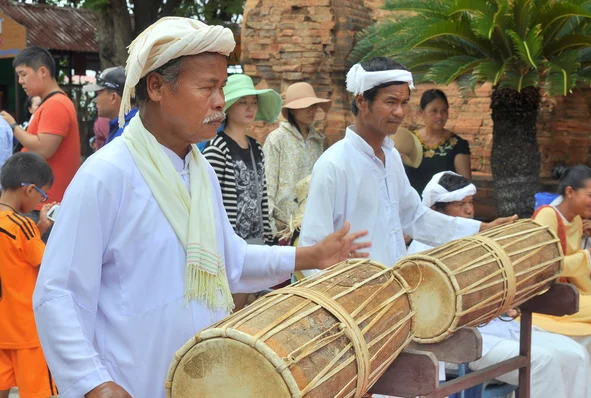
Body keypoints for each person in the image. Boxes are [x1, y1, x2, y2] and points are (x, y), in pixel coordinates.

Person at [32, 17, 370, 398]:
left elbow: (230, 263)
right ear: (157, 87)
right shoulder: (105, 176)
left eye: (221, 86)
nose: (220, 102)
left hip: (205, 383)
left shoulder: (200, 170)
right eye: (207, 87)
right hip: (131, 384)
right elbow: (58, 294)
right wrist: (94, 383)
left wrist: (311, 255)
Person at [299, 57, 515, 273]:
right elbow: (313, 249)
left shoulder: (391, 156)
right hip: (352, 297)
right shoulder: (333, 165)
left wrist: (480, 229)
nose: (400, 112)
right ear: (362, 102)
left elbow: (413, 216)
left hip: (396, 288)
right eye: (391, 102)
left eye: (404, 103)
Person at [407, 171, 591, 397]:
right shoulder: (421, 253)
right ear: (436, 212)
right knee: (544, 362)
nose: (470, 210)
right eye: (461, 204)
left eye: (470, 202)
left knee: (576, 354)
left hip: (496, 329)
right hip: (457, 342)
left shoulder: (473, 241)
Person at [202, 73, 282, 310]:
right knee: (228, 307)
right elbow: (209, 201)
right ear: (228, 107)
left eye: (253, 102)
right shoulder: (217, 148)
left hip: (255, 240)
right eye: (242, 103)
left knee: (247, 305)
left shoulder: (256, 148)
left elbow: (262, 197)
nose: (250, 108)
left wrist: (268, 240)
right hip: (230, 242)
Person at [529, 165, 591, 394]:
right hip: (543, 300)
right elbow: (549, 267)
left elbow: (577, 272)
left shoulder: (577, 221)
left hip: (566, 296)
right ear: (570, 192)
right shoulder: (546, 216)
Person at [0, 152, 57, 398]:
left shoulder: (14, 225)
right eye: (42, 195)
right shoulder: (22, 226)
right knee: (36, 392)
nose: (40, 202)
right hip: (26, 330)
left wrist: (40, 227)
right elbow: (46, 263)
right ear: (29, 189)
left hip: (4, 327)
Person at [1, 46, 80, 214]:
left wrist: (13, 126)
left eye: (23, 74)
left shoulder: (56, 104)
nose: (20, 81)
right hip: (39, 200)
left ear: (43, 72)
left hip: (43, 203)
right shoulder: (51, 103)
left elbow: (44, 149)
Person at [264, 82, 331, 233]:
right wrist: (270, 229)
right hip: (283, 227)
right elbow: (268, 184)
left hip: (313, 222)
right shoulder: (277, 139)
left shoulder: (317, 141)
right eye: (306, 106)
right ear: (292, 111)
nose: (312, 110)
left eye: (314, 106)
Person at [404, 89, 471, 195]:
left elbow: (465, 187)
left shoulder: (457, 144)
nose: (440, 116)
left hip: (443, 207)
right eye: (434, 111)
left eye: (444, 110)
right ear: (422, 113)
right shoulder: (408, 141)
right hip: (413, 206)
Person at [83, 66, 138, 145]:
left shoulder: (126, 134)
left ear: (113, 98)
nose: (95, 100)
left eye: (98, 94)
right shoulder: (127, 125)